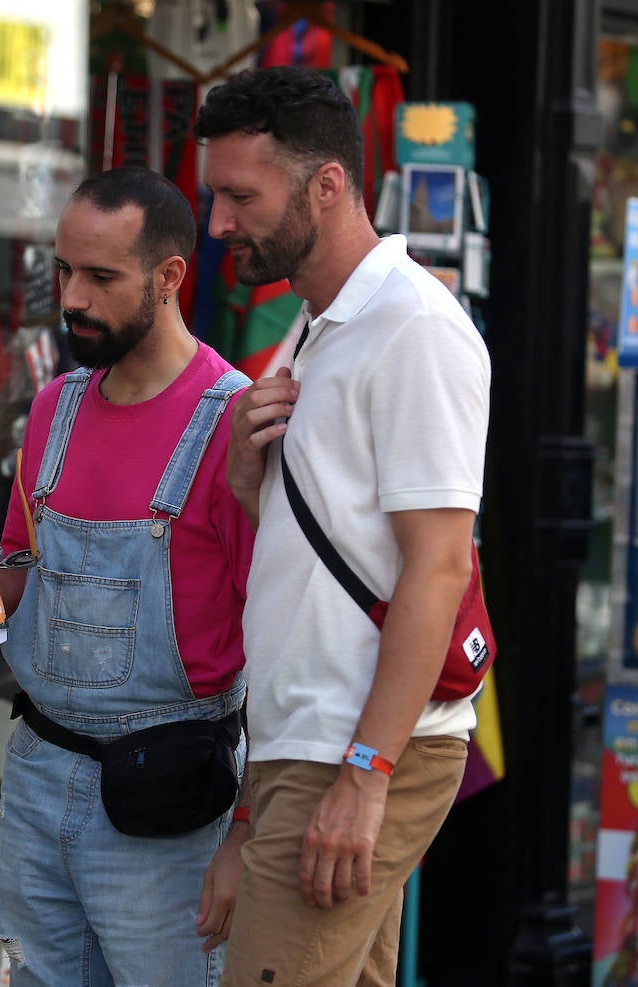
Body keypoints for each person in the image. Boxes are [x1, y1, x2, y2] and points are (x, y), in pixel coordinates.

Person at [194, 66, 492, 986]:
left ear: (327, 183)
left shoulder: (414, 329)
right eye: (214, 196)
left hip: (357, 747)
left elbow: (438, 568)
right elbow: (313, 570)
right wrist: (251, 482)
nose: (218, 225)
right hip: (309, 742)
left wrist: (366, 773)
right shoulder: (313, 330)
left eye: (242, 196)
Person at [0, 165, 254, 986]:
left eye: (101, 277)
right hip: (36, 776)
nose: (72, 297)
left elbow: (278, 641)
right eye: (65, 269)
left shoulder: (237, 423)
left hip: (170, 795)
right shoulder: (53, 406)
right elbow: (25, 572)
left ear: (171, 276)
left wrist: (249, 829)